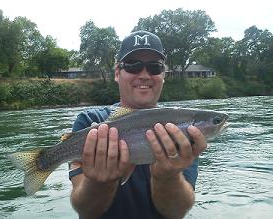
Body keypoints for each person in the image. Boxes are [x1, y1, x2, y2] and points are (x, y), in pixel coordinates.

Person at [69, 30, 207, 219]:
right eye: (133, 66)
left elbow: (177, 213)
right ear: (117, 73)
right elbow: (86, 211)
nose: (144, 74)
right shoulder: (89, 123)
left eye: (154, 67)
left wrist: (168, 177)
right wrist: (101, 183)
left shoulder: (179, 128)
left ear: (163, 75)